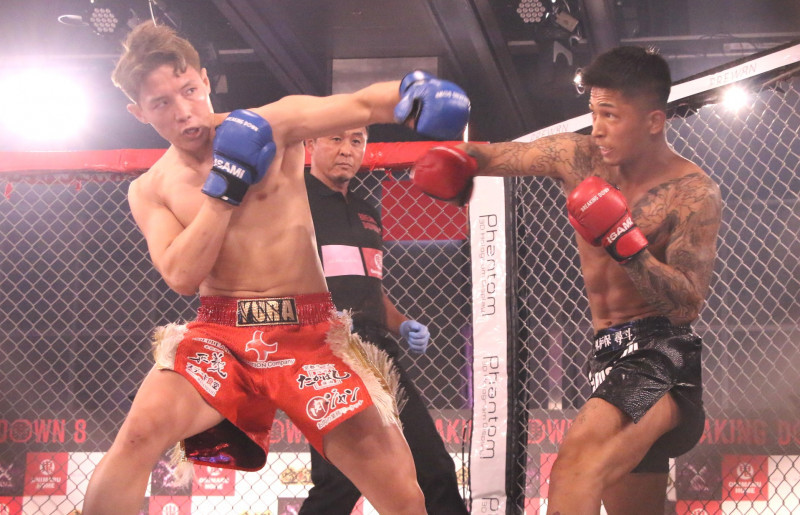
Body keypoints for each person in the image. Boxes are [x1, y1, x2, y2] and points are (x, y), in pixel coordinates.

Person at [82, 21, 469, 515]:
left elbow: (358, 105)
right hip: (221, 336)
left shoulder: (270, 124)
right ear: (138, 112)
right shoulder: (150, 188)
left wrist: (412, 95)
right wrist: (225, 189)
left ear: (205, 80)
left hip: (309, 334)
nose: (183, 111)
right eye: (161, 103)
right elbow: (180, 275)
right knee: (136, 438)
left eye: (189, 91)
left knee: (402, 492)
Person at [411, 46, 722, 514]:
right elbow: (503, 155)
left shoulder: (692, 191)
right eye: (594, 112)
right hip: (606, 356)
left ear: (654, 121)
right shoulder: (578, 157)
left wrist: (626, 245)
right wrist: (458, 157)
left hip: (664, 360)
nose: (597, 128)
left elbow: (687, 304)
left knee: (576, 465)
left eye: (611, 115)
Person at [299, 128, 468, 514]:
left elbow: (370, 290)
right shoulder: (293, 202)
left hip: (377, 351)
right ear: (310, 144)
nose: (347, 150)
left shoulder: (366, 210)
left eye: (356, 141)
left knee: (432, 467)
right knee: (339, 480)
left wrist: (402, 323)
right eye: (335, 139)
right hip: (323, 351)